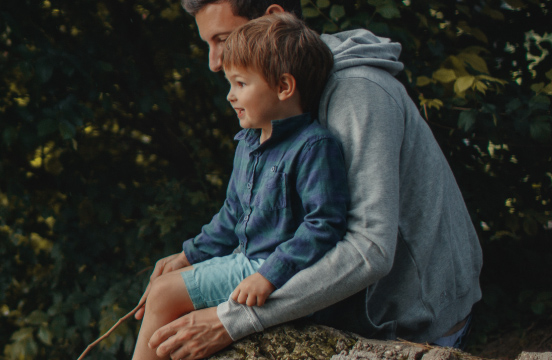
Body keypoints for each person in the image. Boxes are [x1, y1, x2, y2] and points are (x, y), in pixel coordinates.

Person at [135, 1, 485, 359]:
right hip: (346, 309)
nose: (213, 62)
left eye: (223, 39)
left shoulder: (357, 91)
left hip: (408, 322)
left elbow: (370, 249)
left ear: (273, 18)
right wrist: (191, 255)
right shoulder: (277, 104)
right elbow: (252, 217)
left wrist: (232, 320)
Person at [131, 13, 345, 360]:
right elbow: (231, 215)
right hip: (243, 260)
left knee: (166, 293)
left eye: (241, 84)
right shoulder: (248, 143)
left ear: (283, 87)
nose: (230, 96)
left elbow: (324, 225)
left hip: (273, 270)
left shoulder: (313, 147)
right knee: (164, 286)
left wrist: (270, 275)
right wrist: (189, 255)